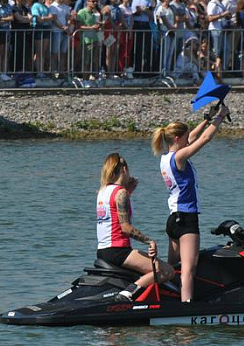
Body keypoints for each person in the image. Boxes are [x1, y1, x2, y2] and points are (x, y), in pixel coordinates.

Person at [151, 103, 230, 302]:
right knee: (188, 270)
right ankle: (186, 311)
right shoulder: (179, 158)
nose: (188, 140)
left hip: (173, 220)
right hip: (187, 220)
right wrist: (221, 117)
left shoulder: (166, 157)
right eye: (185, 137)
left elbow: (192, 137)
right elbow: (203, 139)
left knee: (174, 268)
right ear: (177, 139)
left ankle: (168, 301)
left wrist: (207, 118)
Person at [97, 153, 174, 301]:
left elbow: (113, 213)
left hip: (103, 250)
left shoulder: (103, 191)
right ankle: (127, 294)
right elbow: (125, 228)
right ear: (124, 170)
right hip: (118, 251)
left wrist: (129, 192)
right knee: (167, 271)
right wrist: (149, 241)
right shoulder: (121, 193)